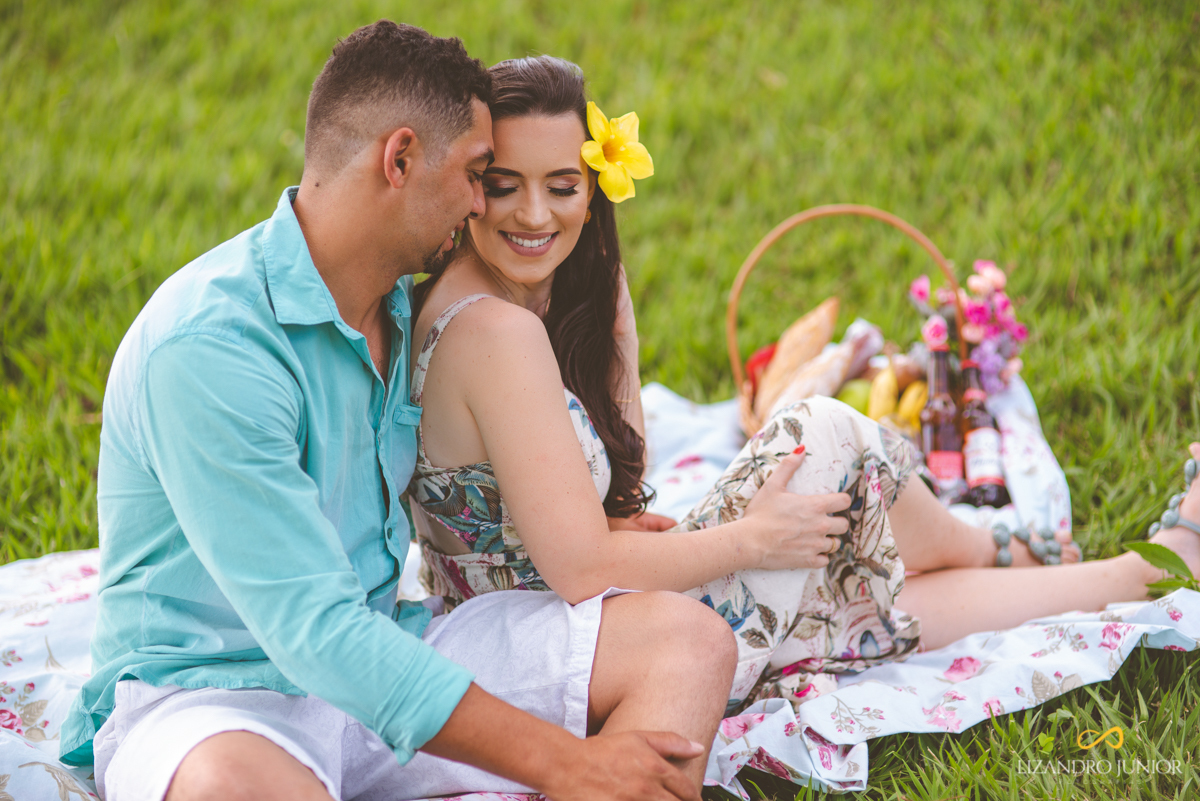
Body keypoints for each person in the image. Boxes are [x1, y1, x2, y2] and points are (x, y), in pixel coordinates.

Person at [60, 22, 742, 801]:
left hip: (391, 649)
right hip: (217, 701)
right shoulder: (210, 348)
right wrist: (567, 763)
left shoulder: (397, 304)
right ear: (401, 159)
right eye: (478, 173)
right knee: (235, 786)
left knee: (683, 640)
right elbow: (315, 633)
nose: (483, 200)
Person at [406, 54, 1200, 712]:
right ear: (470, 182)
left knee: (845, 579)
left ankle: (1089, 563)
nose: (535, 212)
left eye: (563, 185)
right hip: (565, 647)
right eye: (504, 183)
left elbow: (606, 498)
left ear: (596, 186)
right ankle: (1009, 549)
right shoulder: (495, 332)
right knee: (824, 446)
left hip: (569, 620)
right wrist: (750, 539)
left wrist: (616, 328)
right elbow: (579, 567)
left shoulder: (501, 298)